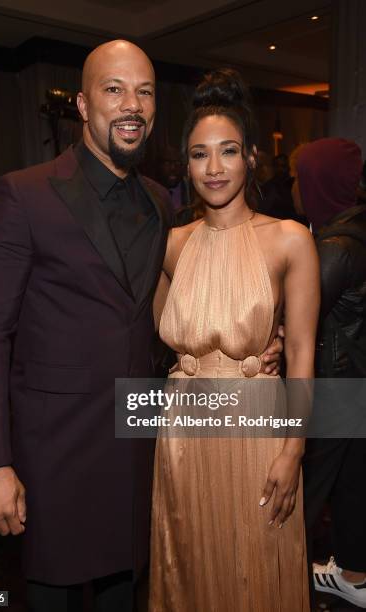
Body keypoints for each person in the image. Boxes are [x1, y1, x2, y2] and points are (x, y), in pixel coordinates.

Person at [0, 41, 282, 612]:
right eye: (114, 90)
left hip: (137, 448)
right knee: (50, 596)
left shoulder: (161, 204)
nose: (131, 104)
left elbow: (173, 309)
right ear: (84, 105)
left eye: (144, 91)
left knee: (125, 593)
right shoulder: (25, 194)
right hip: (51, 455)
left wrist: (259, 342)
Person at [149, 69, 319, 611]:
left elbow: (300, 354)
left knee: (255, 565)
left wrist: (293, 450)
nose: (214, 168)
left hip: (257, 430)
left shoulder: (289, 241)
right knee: (191, 564)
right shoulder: (171, 245)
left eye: (227, 151)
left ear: (250, 156)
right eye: (200, 154)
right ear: (187, 164)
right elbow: (158, 333)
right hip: (183, 430)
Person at [294, 138, 366, 609]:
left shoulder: (334, 247)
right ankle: (355, 578)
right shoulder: (355, 228)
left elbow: (292, 316)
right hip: (356, 380)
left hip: (335, 386)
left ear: (316, 183)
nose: (293, 188)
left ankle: (275, 583)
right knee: (352, 486)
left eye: (299, 178)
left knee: (299, 493)